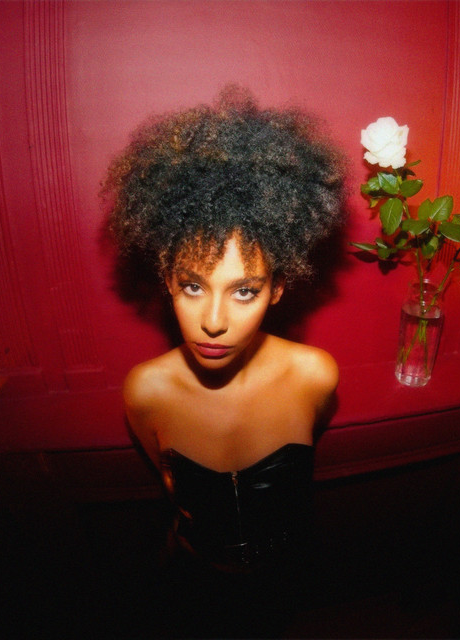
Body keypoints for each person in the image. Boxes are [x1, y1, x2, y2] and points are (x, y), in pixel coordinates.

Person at [103, 86, 347, 636]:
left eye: (244, 290)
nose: (213, 321)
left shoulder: (314, 375)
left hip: (287, 580)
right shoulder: (147, 390)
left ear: (278, 289)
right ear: (166, 280)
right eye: (193, 285)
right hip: (189, 584)